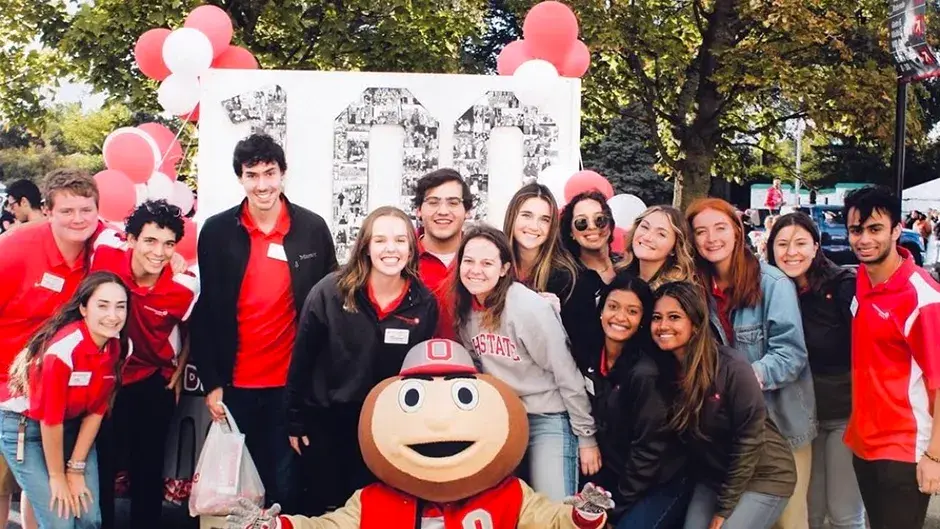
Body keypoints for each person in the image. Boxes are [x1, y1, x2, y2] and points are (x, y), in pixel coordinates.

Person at [226, 339, 615, 529]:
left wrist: (584, 515)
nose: (439, 425)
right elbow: (328, 527)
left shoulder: (508, 495)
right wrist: (274, 525)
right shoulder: (374, 502)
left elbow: (550, 521)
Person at [191, 133, 337, 511]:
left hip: (291, 387)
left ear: (283, 174)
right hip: (236, 385)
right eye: (251, 175)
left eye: (269, 173)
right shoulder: (218, 231)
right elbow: (206, 311)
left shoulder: (311, 228)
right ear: (240, 178)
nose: (262, 185)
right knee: (240, 495)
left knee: (288, 489)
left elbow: (330, 307)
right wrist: (213, 383)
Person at [287, 206, 438, 514]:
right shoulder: (330, 292)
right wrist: (295, 418)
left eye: (400, 240)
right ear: (366, 247)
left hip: (387, 428)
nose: (390, 249)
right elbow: (302, 359)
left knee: (376, 511)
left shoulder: (423, 303)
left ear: (412, 248)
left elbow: (419, 376)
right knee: (326, 510)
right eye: (380, 240)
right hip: (328, 423)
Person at [686, 198, 814, 529]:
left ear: (737, 231)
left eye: (720, 228)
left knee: (789, 522)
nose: (711, 238)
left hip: (782, 424)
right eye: (701, 231)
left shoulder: (772, 283)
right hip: (729, 432)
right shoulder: (696, 290)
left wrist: (740, 381)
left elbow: (791, 355)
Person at [453, 224, 599, 501]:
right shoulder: (466, 310)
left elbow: (566, 373)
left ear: (505, 268)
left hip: (548, 416)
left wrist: (586, 437)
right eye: (468, 261)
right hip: (505, 419)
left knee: (553, 508)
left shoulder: (528, 308)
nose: (475, 270)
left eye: (487, 263)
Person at [0, 168, 105, 529]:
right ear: (47, 211)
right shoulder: (15, 249)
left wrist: (174, 259)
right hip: (10, 395)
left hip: (62, 397)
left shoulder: (100, 250)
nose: (78, 219)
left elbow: (143, 249)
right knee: (2, 489)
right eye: (67, 211)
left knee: (56, 503)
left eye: (85, 210)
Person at [650, 281, 796, 529]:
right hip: (714, 476)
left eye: (674, 317)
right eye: (657, 317)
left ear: (695, 324)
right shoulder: (663, 369)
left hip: (763, 473)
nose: (663, 326)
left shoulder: (730, 367)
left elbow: (749, 441)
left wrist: (724, 509)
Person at [91, 200, 199, 529]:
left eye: (169, 244)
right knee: (102, 467)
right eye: (150, 241)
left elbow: (193, 328)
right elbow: (84, 221)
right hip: (106, 378)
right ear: (132, 239)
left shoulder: (185, 285)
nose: (159, 252)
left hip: (154, 381)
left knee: (147, 469)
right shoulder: (106, 252)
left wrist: (180, 369)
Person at [842, 186, 940, 529]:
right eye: (857, 230)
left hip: (905, 451)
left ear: (897, 230)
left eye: (875, 229)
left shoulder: (922, 296)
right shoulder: (861, 280)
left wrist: (934, 456)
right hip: (864, 444)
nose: (864, 239)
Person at [0, 272, 130, 529]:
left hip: (72, 426)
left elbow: (97, 410)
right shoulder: (62, 350)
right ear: (83, 308)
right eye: (102, 305)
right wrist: (58, 475)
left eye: (121, 306)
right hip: (28, 428)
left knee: (89, 517)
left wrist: (76, 469)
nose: (113, 316)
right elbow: (50, 420)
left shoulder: (119, 346)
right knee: (61, 521)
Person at [766, 212, 865, 529]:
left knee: (844, 513)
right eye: (782, 244)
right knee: (809, 510)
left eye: (800, 243)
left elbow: (866, 347)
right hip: (798, 418)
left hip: (842, 414)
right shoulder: (772, 290)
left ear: (816, 246)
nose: (790, 252)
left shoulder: (842, 286)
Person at [579, 272, 690, 528]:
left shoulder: (645, 373)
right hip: (614, 475)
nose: (620, 317)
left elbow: (648, 452)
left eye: (632, 311)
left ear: (642, 321)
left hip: (658, 482)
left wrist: (615, 508)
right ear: (601, 310)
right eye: (613, 307)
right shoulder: (590, 356)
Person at [502, 183, 590, 338]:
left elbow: (580, 348)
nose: (534, 226)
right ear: (512, 217)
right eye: (526, 215)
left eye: (544, 219)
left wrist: (555, 320)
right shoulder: (495, 267)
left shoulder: (570, 279)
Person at [412, 168, 472, 340]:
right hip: (411, 364)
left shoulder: (486, 258)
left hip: (474, 365)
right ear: (419, 210)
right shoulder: (401, 257)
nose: (443, 211)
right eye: (433, 202)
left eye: (453, 202)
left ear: (467, 211)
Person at [621, 205, 698, 289]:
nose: (647, 237)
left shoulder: (674, 293)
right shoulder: (621, 275)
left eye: (661, 234)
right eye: (645, 227)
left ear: (674, 248)